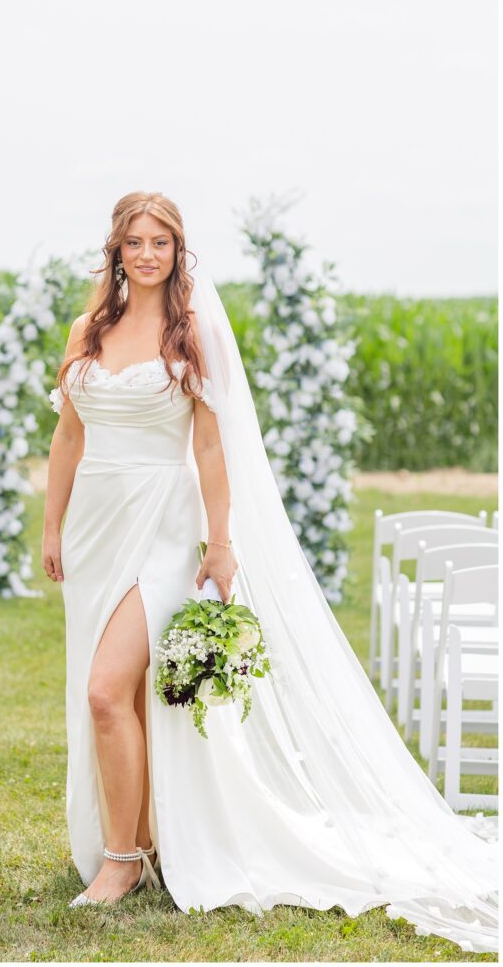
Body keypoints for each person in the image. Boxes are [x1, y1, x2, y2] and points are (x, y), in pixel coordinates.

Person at [41, 191, 497, 953]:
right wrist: (52, 525)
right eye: (135, 241)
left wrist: (220, 542)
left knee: (103, 691)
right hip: (94, 526)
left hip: (162, 523)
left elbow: (212, 449)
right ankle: (144, 839)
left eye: (161, 242)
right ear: (116, 250)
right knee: (123, 694)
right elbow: (66, 435)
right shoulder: (89, 329)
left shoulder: (191, 335)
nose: (147, 253)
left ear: (177, 252)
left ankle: (120, 864)